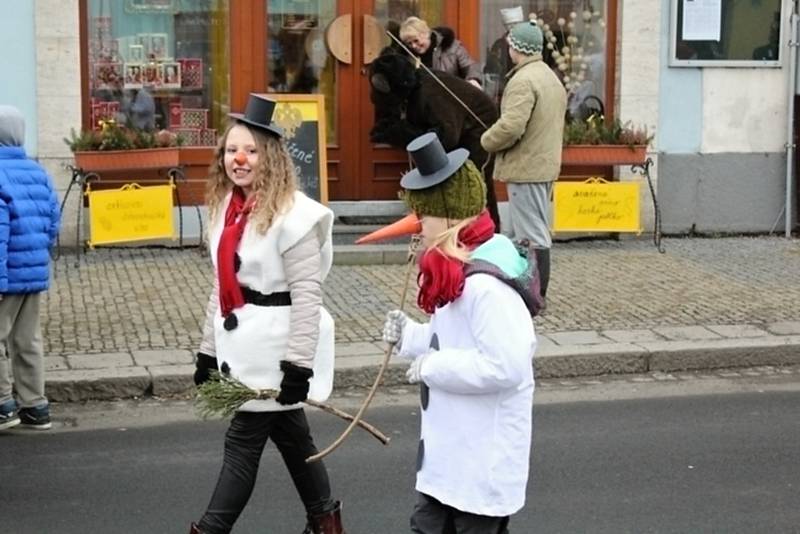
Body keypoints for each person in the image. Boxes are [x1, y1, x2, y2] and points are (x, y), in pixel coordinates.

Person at [189, 94, 345, 534]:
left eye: (251, 150)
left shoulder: (294, 216)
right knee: (295, 440)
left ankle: (210, 530)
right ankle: (326, 523)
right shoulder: (227, 209)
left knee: (242, 445)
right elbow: (222, 286)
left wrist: (299, 364)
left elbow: (307, 294)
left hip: (276, 353)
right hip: (244, 349)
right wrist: (206, 350)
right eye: (231, 150)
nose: (238, 159)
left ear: (271, 157)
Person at [376, 132, 540, 533]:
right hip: (447, 461)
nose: (418, 228)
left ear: (450, 217)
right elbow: (450, 338)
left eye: (424, 218)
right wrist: (411, 339)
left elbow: (506, 366)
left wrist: (432, 365)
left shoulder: (486, 284)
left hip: (481, 465)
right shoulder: (455, 267)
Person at [480, 21, 566, 304]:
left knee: (531, 235)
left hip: (527, 167)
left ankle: (536, 295)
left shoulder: (523, 80)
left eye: (511, 44)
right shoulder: (549, 77)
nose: (509, 48)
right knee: (519, 233)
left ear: (517, 48)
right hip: (540, 166)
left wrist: (486, 140)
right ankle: (520, 290)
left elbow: (512, 127)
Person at [0, 105, 60, 431]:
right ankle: (35, 406)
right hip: (33, 273)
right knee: (28, 339)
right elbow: (52, 223)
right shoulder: (38, 172)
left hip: (6, 276)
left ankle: (3, 406)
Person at [399, 16, 482, 88]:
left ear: (426, 34)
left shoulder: (453, 47)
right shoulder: (408, 57)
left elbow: (470, 66)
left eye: (416, 41)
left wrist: (474, 79)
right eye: (409, 43)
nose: (413, 46)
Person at [483, 6, 525, 106]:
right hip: (503, 87)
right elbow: (491, 69)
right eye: (509, 24)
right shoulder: (499, 44)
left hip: (522, 85)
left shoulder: (526, 43)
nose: (512, 27)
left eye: (516, 23)